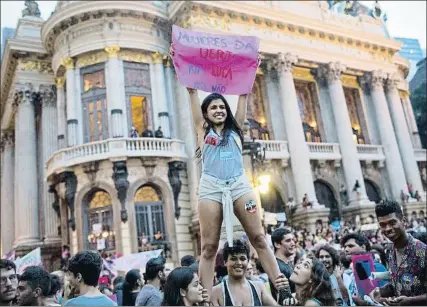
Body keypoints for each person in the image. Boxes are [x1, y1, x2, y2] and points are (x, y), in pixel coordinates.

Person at [171, 44, 288, 302]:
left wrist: (251, 67)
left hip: (240, 186)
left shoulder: (236, 130)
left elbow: (244, 92)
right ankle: (203, 296)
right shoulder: (203, 131)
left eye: (222, 107)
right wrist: (181, 65)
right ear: (206, 114)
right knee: (210, 245)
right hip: (211, 187)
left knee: (258, 236)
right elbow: (191, 92)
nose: (219, 110)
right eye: (213, 108)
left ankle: (281, 285)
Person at [369, 200, 426, 306]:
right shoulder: (390, 252)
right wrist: (380, 291)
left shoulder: (422, 250)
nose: (388, 229)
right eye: (382, 225)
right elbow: (398, 283)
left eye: (392, 222)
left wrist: (411, 301)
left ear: (404, 221)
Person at [210, 239, 277, 306]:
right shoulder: (216, 292)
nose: (239, 263)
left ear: (248, 261)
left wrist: (283, 291)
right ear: (225, 262)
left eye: (242, 259)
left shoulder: (259, 287)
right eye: (233, 259)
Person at [340, 232, 387, 306]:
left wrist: (365, 304)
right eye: (345, 247)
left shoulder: (377, 268)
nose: (346, 249)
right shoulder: (352, 274)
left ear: (363, 247)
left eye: (350, 246)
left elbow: (385, 300)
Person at [270, 228, 296, 300]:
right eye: (288, 241)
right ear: (277, 244)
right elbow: (284, 298)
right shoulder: (277, 267)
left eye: (293, 240)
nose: (293, 243)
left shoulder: (288, 263)